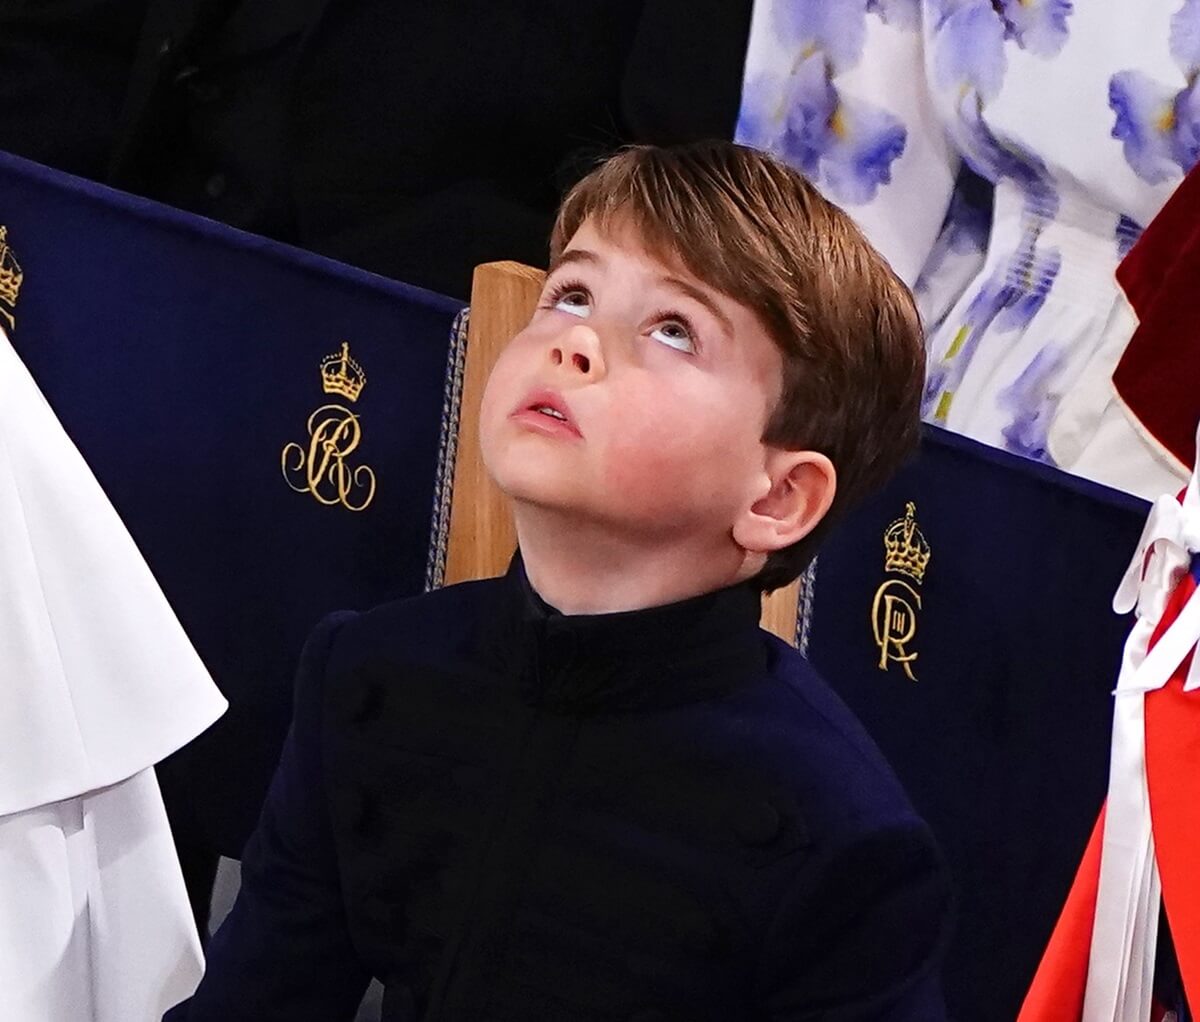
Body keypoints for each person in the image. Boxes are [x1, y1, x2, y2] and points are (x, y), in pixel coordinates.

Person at [164, 141, 951, 1020]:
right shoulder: (369, 675)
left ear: (777, 497)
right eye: (572, 293)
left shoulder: (839, 835)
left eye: (673, 329)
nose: (579, 341)